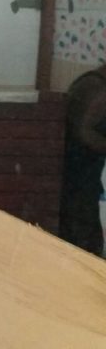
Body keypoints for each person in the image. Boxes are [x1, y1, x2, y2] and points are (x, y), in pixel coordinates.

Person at [61, 66, 106, 256]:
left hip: (80, 174)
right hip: (79, 175)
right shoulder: (97, 88)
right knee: (83, 239)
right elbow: (83, 132)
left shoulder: (91, 83)